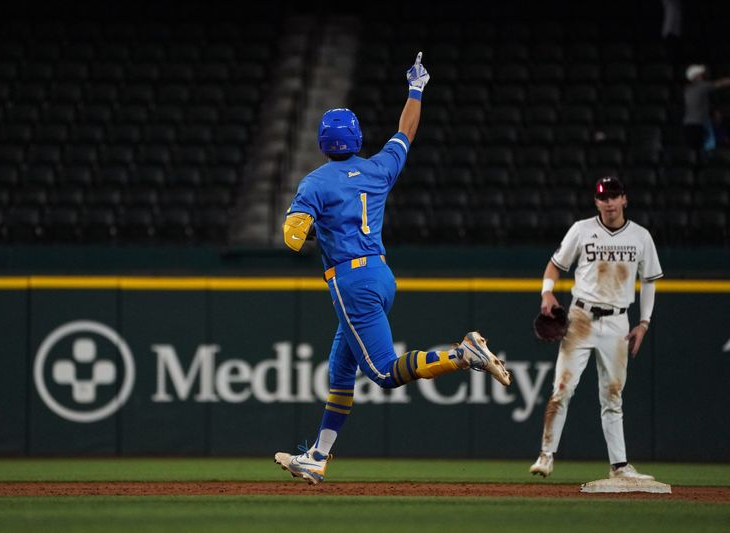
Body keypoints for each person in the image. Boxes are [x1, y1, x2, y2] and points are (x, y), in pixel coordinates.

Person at [274, 53, 511, 485]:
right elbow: (406, 131)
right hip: (381, 275)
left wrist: (311, 227)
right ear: (357, 138)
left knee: (382, 372)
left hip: (349, 279)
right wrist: (415, 88)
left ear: (322, 142)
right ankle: (317, 457)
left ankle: (462, 355)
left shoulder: (315, 182)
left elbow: (292, 239)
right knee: (341, 369)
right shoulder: (378, 168)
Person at [529, 176, 663, 480]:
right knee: (562, 389)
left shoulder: (641, 237)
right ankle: (546, 455)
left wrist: (644, 322)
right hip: (581, 319)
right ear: (596, 202)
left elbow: (650, 280)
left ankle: (619, 466)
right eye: (604, 197)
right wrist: (547, 292)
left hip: (618, 321)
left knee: (613, 396)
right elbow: (555, 265)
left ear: (624, 199)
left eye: (614, 196)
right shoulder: (582, 229)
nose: (609, 202)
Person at [682, 64, 730, 154]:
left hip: (689, 125)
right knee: (700, 152)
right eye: (700, 74)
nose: (703, 75)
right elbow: (722, 83)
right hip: (697, 125)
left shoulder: (688, 89)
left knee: (696, 152)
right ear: (695, 77)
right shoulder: (701, 86)